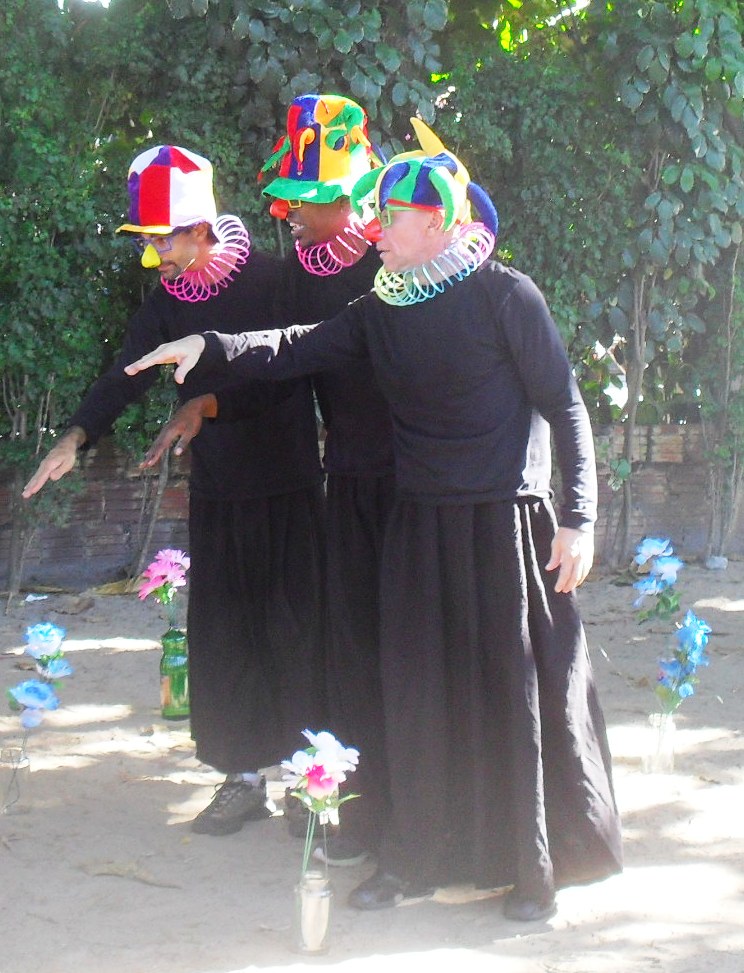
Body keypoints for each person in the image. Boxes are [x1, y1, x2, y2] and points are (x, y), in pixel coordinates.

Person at [125, 132, 623, 921]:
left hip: (502, 525)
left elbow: (564, 405)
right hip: (418, 526)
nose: (374, 230)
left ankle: (531, 873)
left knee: (508, 694)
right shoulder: (383, 307)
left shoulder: (507, 296)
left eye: (389, 217)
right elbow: (293, 347)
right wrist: (208, 344)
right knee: (415, 697)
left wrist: (581, 518)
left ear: (436, 223)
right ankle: (414, 856)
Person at [23, 144, 328, 836]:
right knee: (227, 631)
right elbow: (125, 373)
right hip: (219, 486)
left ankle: (309, 780)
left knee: (297, 628)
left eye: (163, 239)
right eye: (149, 240)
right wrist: (77, 436)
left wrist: (206, 404)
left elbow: (290, 373)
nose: (154, 253)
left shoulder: (276, 279)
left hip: (286, 482)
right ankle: (243, 779)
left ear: (200, 229)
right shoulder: (169, 301)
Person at [146, 95, 396, 866]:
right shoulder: (296, 277)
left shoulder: (393, 271)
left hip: (390, 483)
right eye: (285, 198)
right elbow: (281, 356)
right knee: (283, 632)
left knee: (348, 634)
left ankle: (357, 787)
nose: (286, 211)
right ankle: (268, 776)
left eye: (304, 199)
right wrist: (206, 398)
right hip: (328, 482)